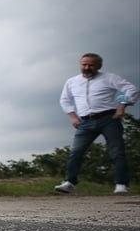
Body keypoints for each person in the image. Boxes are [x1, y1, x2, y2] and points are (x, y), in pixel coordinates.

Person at [55, 53, 137, 195]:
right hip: (85, 121)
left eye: (91, 65)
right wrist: (73, 116)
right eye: (84, 64)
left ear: (99, 66)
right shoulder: (72, 82)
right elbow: (65, 100)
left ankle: (121, 184)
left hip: (108, 118)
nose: (87, 67)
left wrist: (122, 106)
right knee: (76, 152)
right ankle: (70, 182)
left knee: (117, 151)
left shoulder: (109, 78)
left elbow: (132, 89)